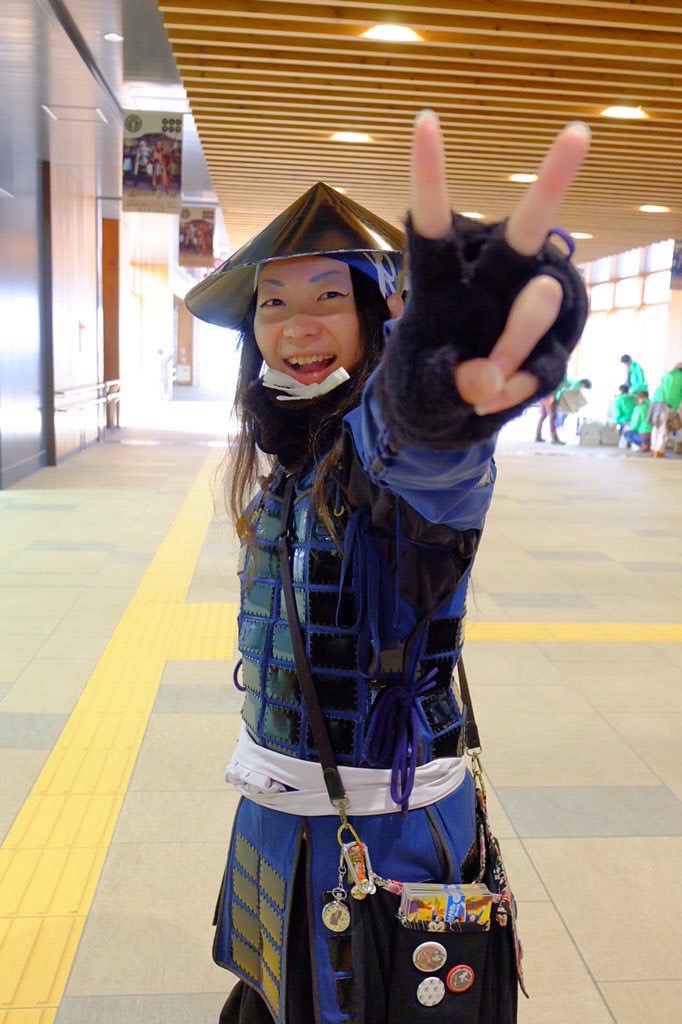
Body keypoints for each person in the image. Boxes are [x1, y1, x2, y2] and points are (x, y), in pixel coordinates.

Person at [184, 111, 590, 1024]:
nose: (296, 326)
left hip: (384, 832)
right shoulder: (291, 458)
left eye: (328, 295)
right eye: (272, 303)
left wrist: (435, 387)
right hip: (276, 815)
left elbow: (423, 452)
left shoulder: (388, 462)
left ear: (376, 315)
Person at [648, 362, 682, 457]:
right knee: (663, 427)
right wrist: (672, 405)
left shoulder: (669, 374)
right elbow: (673, 393)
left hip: (656, 401)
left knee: (657, 426)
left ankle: (653, 449)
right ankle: (659, 450)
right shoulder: (680, 377)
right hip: (667, 403)